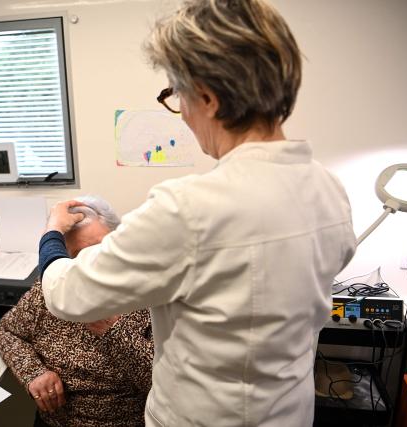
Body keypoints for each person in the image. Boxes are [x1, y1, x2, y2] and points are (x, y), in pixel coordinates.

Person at [39, 1, 356, 425]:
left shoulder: (188, 208)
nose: (182, 113)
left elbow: (68, 295)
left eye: (176, 96)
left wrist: (52, 236)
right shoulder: (328, 188)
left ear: (207, 96)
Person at [0, 196, 153, 427]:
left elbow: (162, 385)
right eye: (77, 256)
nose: (92, 265)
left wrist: (115, 331)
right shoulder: (52, 287)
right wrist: (33, 373)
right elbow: (9, 331)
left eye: (100, 249)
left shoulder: (148, 294)